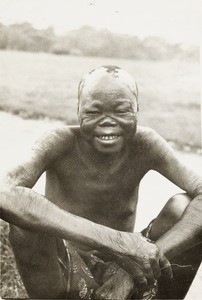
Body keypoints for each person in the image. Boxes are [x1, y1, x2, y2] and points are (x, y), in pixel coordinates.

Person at [0, 65, 201, 299]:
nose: (108, 122)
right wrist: (115, 242)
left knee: (184, 207)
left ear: (137, 110)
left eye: (122, 111)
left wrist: (139, 262)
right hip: (67, 264)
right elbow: (5, 192)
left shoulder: (146, 143)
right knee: (26, 222)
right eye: (94, 112)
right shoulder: (59, 142)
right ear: (78, 111)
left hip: (131, 264)